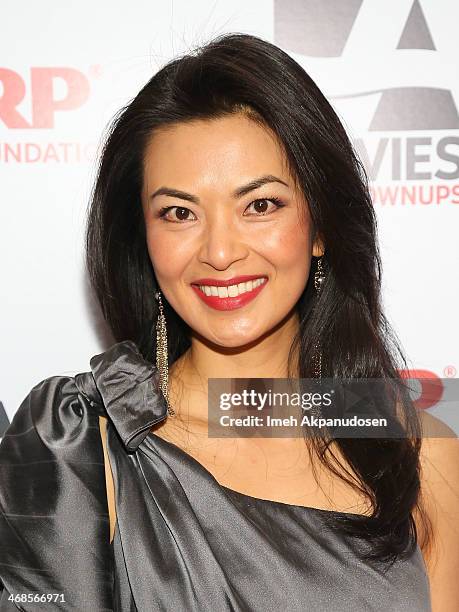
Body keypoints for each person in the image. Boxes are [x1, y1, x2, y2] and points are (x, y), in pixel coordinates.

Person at [0, 32, 458, 612]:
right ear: (143, 239)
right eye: (179, 213)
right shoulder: (81, 444)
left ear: (321, 229)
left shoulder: (417, 451)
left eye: (260, 205)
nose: (219, 251)